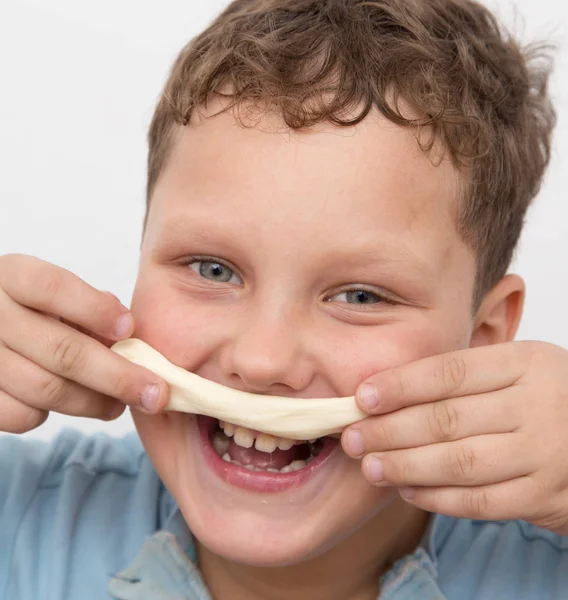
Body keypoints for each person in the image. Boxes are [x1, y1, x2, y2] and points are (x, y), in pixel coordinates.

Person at [1, 0, 567, 598]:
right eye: (213, 269)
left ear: (481, 340)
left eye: (359, 294)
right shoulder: (22, 515)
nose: (264, 361)